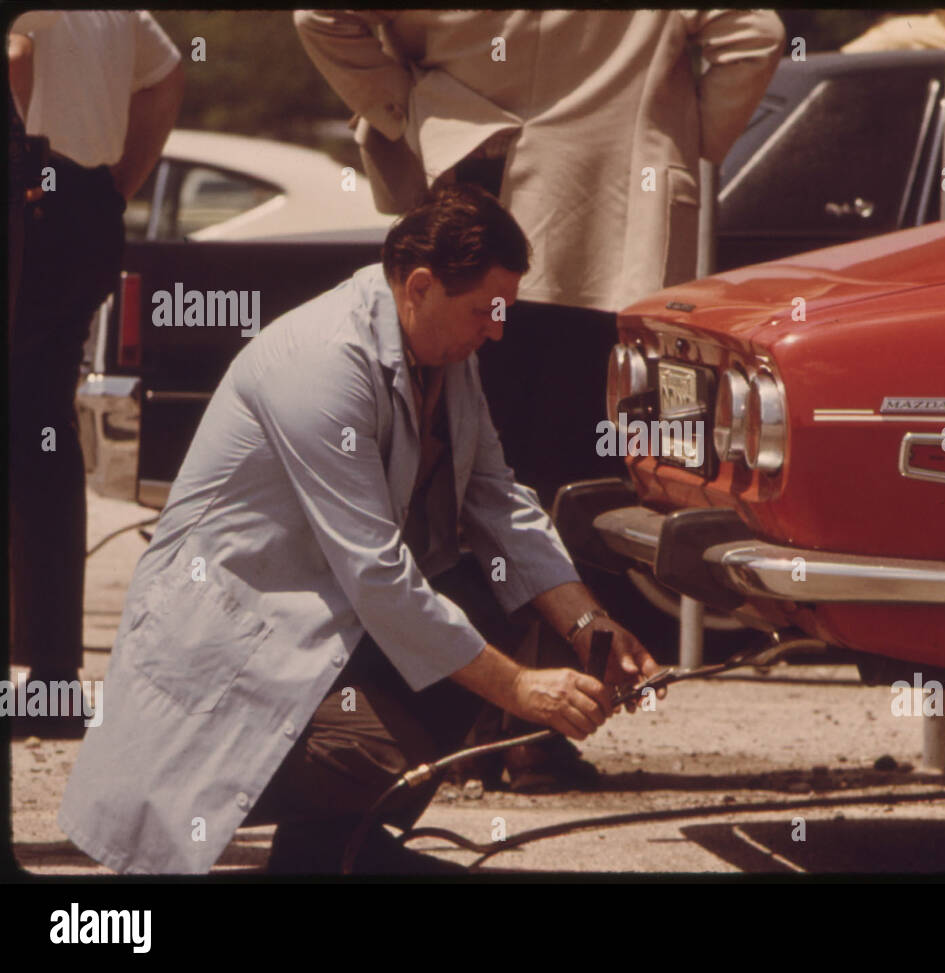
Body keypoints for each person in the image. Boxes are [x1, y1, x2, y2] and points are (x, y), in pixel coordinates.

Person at [58, 184, 664, 874]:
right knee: (412, 699)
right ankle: (320, 840)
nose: (497, 330)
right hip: (238, 654)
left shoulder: (443, 351)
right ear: (421, 286)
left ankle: (333, 846)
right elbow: (379, 576)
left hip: (323, 634)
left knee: (487, 593)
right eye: (484, 311)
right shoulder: (321, 363)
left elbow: (498, 499)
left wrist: (590, 627)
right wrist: (522, 690)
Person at [294, 9, 786, 506]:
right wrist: (688, 137)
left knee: (476, 453)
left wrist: (413, 109)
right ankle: (583, 575)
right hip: (622, 216)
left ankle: (488, 568)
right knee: (618, 452)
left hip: (472, 202)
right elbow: (755, 38)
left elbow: (320, 15)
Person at [8, 11, 184, 738]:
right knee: (43, 430)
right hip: (77, 205)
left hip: (28, 199)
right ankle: (51, 682)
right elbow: (168, 71)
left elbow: (13, 50)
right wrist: (117, 183)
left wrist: (22, 153)